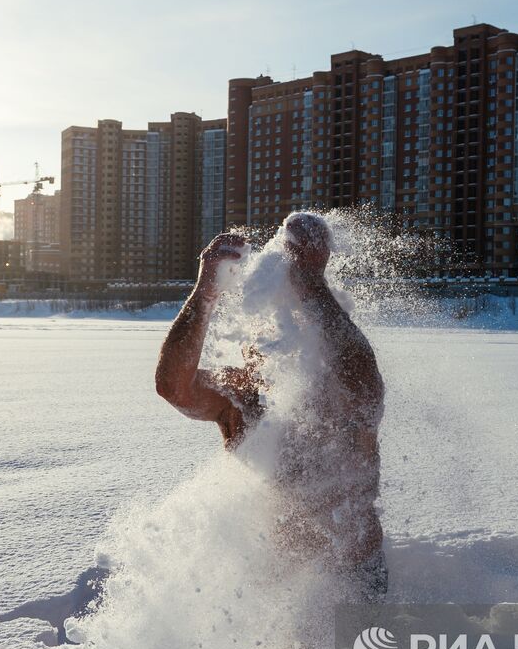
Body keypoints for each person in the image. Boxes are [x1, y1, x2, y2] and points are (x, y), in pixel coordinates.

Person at [155, 213, 387, 601]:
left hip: (354, 583)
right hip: (274, 592)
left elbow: (363, 384)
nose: (268, 342)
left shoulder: (340, 394)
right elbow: (173, 386)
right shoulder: (241, 397)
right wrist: (205, 292)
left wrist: (311, 284)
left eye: (284, 328)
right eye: (259, 331)